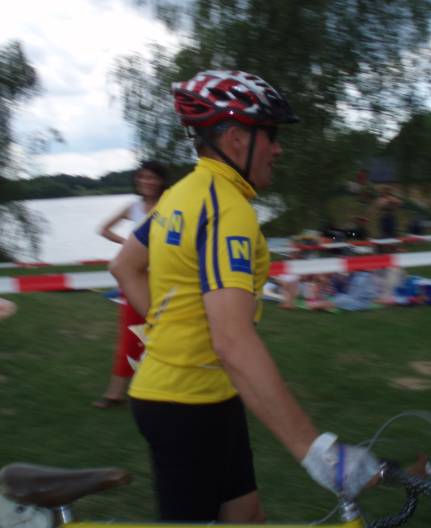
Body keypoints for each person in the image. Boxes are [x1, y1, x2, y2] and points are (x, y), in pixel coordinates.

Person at [110, 70, 379, 522]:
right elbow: (232, 340)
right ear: (236, 138)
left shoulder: (180, 194)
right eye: (270, 134)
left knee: (248, 516)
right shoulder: (226, 210)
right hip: (184, 403)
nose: (278, 148)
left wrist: (173, 325)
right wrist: (315, 451)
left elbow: (124, 266)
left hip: (204, 394)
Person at [93, 160, 168, 409]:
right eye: (142, 177)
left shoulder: (171, 204)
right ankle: (116, 393)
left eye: (152, 177)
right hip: (136, 277)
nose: (147, 181)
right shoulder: (133, 207)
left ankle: (163, 386)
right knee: (130, 333)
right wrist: (130, 244)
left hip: (166, 279)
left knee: (166, 331)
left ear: (161, 180)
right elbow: (104, 229)